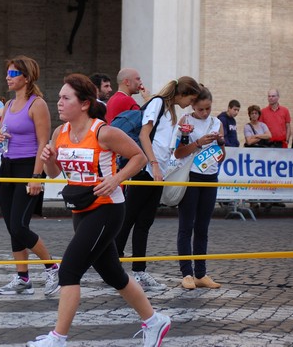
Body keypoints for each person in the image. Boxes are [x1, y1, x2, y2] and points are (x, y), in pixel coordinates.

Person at [27, 73, 170, 347]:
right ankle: (154, 320)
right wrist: (49, 159)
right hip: (80, 209)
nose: (59, 103)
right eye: (59, 97)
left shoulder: (103, 132)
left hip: (107, 210)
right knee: (113, 274)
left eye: (65, 98)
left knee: (68, 271)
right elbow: (55, 173)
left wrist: (117, 178)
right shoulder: (61, 133)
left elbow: (138, 157)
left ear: (83, 104)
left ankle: (58, 338)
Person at [115, 77, 201, 291]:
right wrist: (153, 164)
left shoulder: (170, 110)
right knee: (128, 219)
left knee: (144, 222)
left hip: (157, 173)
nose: (191, 103)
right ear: (183, 93)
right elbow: (145, 135)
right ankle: (114, 268)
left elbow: (163, 142)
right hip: (146, 170)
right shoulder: (159, 103)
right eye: (191, 99)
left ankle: (139, 271)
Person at [0, 55, 59, 296]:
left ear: (26, 77)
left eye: (12, 74)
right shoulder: (9, 105)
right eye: (8, 73)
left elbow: (44, 141)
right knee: (12, 227)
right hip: (7, 166)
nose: (7, 78)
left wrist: (36, 176)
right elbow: (1, 134)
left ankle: (52, 267)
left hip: (28, 168)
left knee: (20, 226)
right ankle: (23, 278)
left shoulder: (37, 104)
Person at [173, 86, 225, 290]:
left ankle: (201, 273)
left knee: (203, 227)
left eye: (208, 108)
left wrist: (220, 144)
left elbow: (222, 157)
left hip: (210, 177)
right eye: (201, 109)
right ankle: (186, 273)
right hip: (191, 175)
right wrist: (198, 143)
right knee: (186, 225)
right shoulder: (185, 121)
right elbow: (178, 153)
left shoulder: (217, 122)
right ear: (193, 105)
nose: (205, 113)